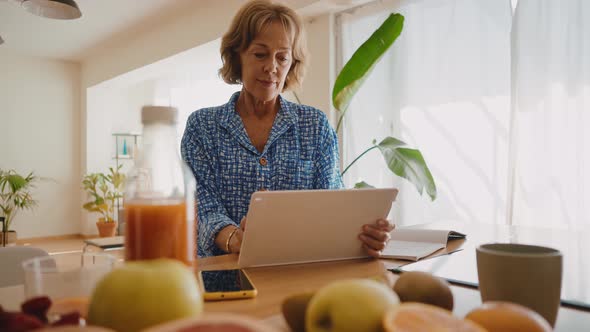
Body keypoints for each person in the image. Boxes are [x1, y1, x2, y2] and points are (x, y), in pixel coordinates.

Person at [181, 0, 394, 258]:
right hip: (225, 274)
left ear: (292, 63)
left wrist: (364, 234)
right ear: (238, 54)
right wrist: (235, 238)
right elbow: (202, 204)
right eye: (260, 54)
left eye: (282, 57)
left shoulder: (314, 126)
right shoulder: (202, 127)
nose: (271, 67)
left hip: (300, 271)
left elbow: (331, 200)